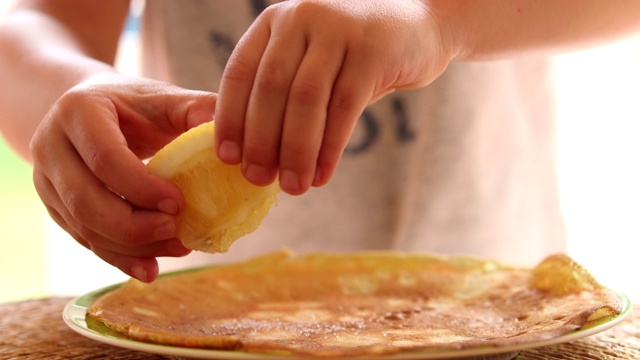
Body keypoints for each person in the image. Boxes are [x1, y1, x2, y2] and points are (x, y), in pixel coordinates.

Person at [0, 0, 639, 284]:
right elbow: (42, 21)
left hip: (493, 286)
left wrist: (438, 22)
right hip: (211, 316)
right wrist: (75, 91)